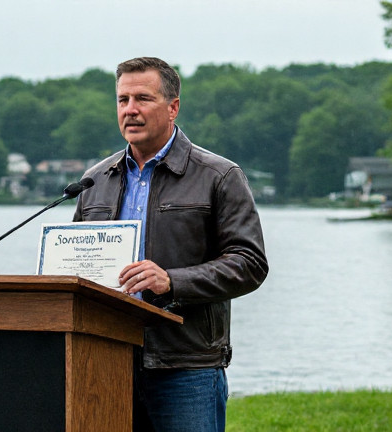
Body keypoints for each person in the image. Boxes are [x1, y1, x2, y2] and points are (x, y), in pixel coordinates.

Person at [72, 57, 268, 432]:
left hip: (186, 366)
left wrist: (172, 281)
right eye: (123, 100)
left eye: (143, 99)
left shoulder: (219, 176)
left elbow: (249, 263)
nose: (130, 110)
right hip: (105, 360)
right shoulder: (94, 180)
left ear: (173, 107)